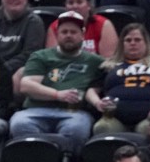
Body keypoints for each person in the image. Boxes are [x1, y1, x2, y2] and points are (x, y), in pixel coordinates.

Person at [10, 11, 100, 152]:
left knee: (76, 129)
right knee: (19, 123)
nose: (68, 35)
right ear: (57, 34)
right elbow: (26, 85)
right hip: (35, 111)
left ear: (82, 35)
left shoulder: (94, 61)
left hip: (73, 113)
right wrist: (58, 94)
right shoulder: (41, 56)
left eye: (73, 32)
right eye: (64, 32)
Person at [89, 24, 150, 133]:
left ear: (146, 43)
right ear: (122, 44)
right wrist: (97, 103)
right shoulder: (109, 65)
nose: (133, 43)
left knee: (149, 130)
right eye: (128, 40)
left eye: (137, 40)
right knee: (102, 127)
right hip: (114, 117)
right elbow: (91, 90)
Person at [43, 0, 118, 59]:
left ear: (88, 5)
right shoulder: (54, 26)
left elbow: (108, 61)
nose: (75, 6)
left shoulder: (103, 24)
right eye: (70, 3)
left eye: (79, 2)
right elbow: (52, 59)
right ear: (65, 6)